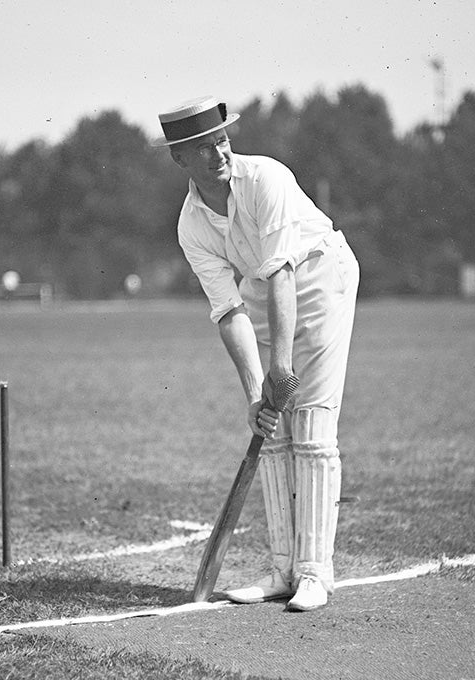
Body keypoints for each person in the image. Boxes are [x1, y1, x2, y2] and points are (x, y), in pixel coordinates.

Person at [153, 97, 359, 611]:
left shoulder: (266, 178)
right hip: (264, 293)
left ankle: (315, 573)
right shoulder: (191, 226)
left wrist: (281, 366)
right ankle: (283, 569)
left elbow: (283, 274)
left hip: (318, 277)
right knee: (269, 427)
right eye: (202, 147)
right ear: (180, 159)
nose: (217, 153)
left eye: (220, 139)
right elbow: (229, 310)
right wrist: (254, 392)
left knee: (309, 421)